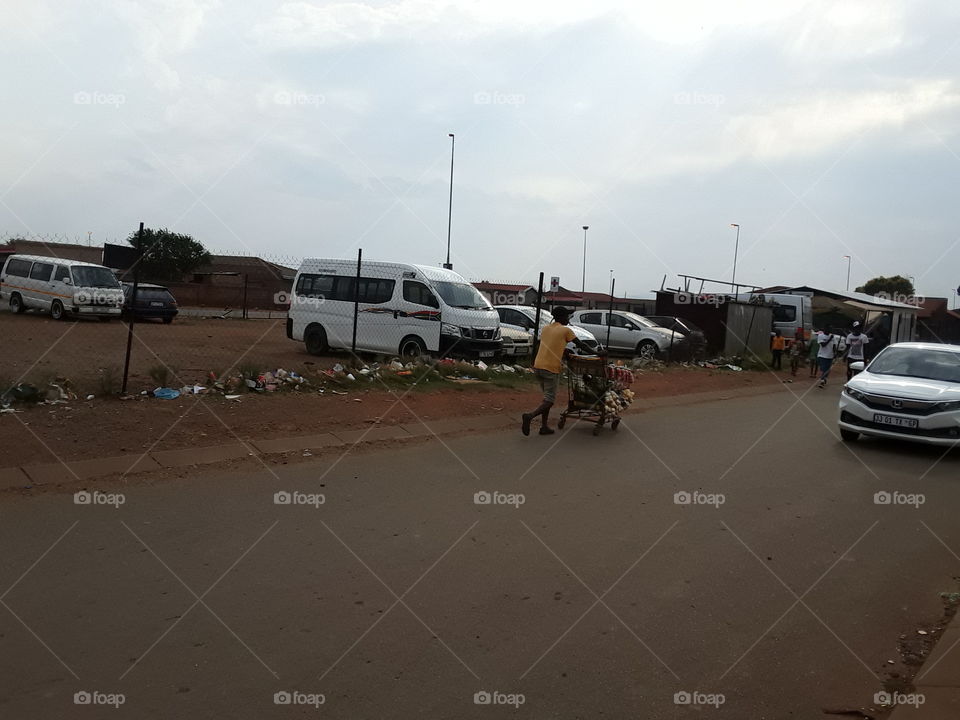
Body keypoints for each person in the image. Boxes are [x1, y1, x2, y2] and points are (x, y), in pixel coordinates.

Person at [521, 306, 595, 436]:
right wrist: (597, 353)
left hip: (538, 366)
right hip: (550, 368)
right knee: (549, 400)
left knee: (546, 398)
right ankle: (530, 416)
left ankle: (544, 427)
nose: (568, 319)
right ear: (561, 317)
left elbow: (551, 345)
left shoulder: (545, 329)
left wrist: (563, 351)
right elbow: (581, 345)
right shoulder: (566, 330)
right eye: (566, 316)